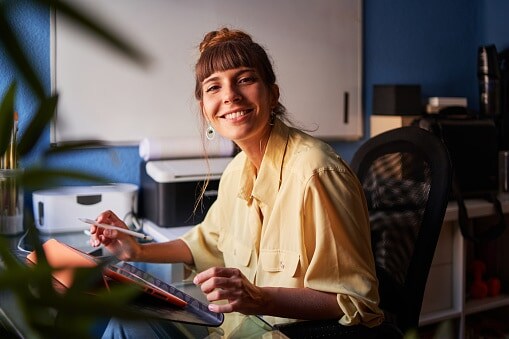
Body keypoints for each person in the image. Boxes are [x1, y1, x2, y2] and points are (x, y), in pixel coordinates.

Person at [90, 27, 384, 336]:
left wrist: (258, 298)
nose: (230, 95)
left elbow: (353, 300)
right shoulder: (236, 171)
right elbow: (206, 244)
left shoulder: (317, 173)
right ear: (205, 108)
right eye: (213, 87)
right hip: (231, 331)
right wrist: (136, 251)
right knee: (127, 321)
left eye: (245, 80)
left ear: (273, 94)